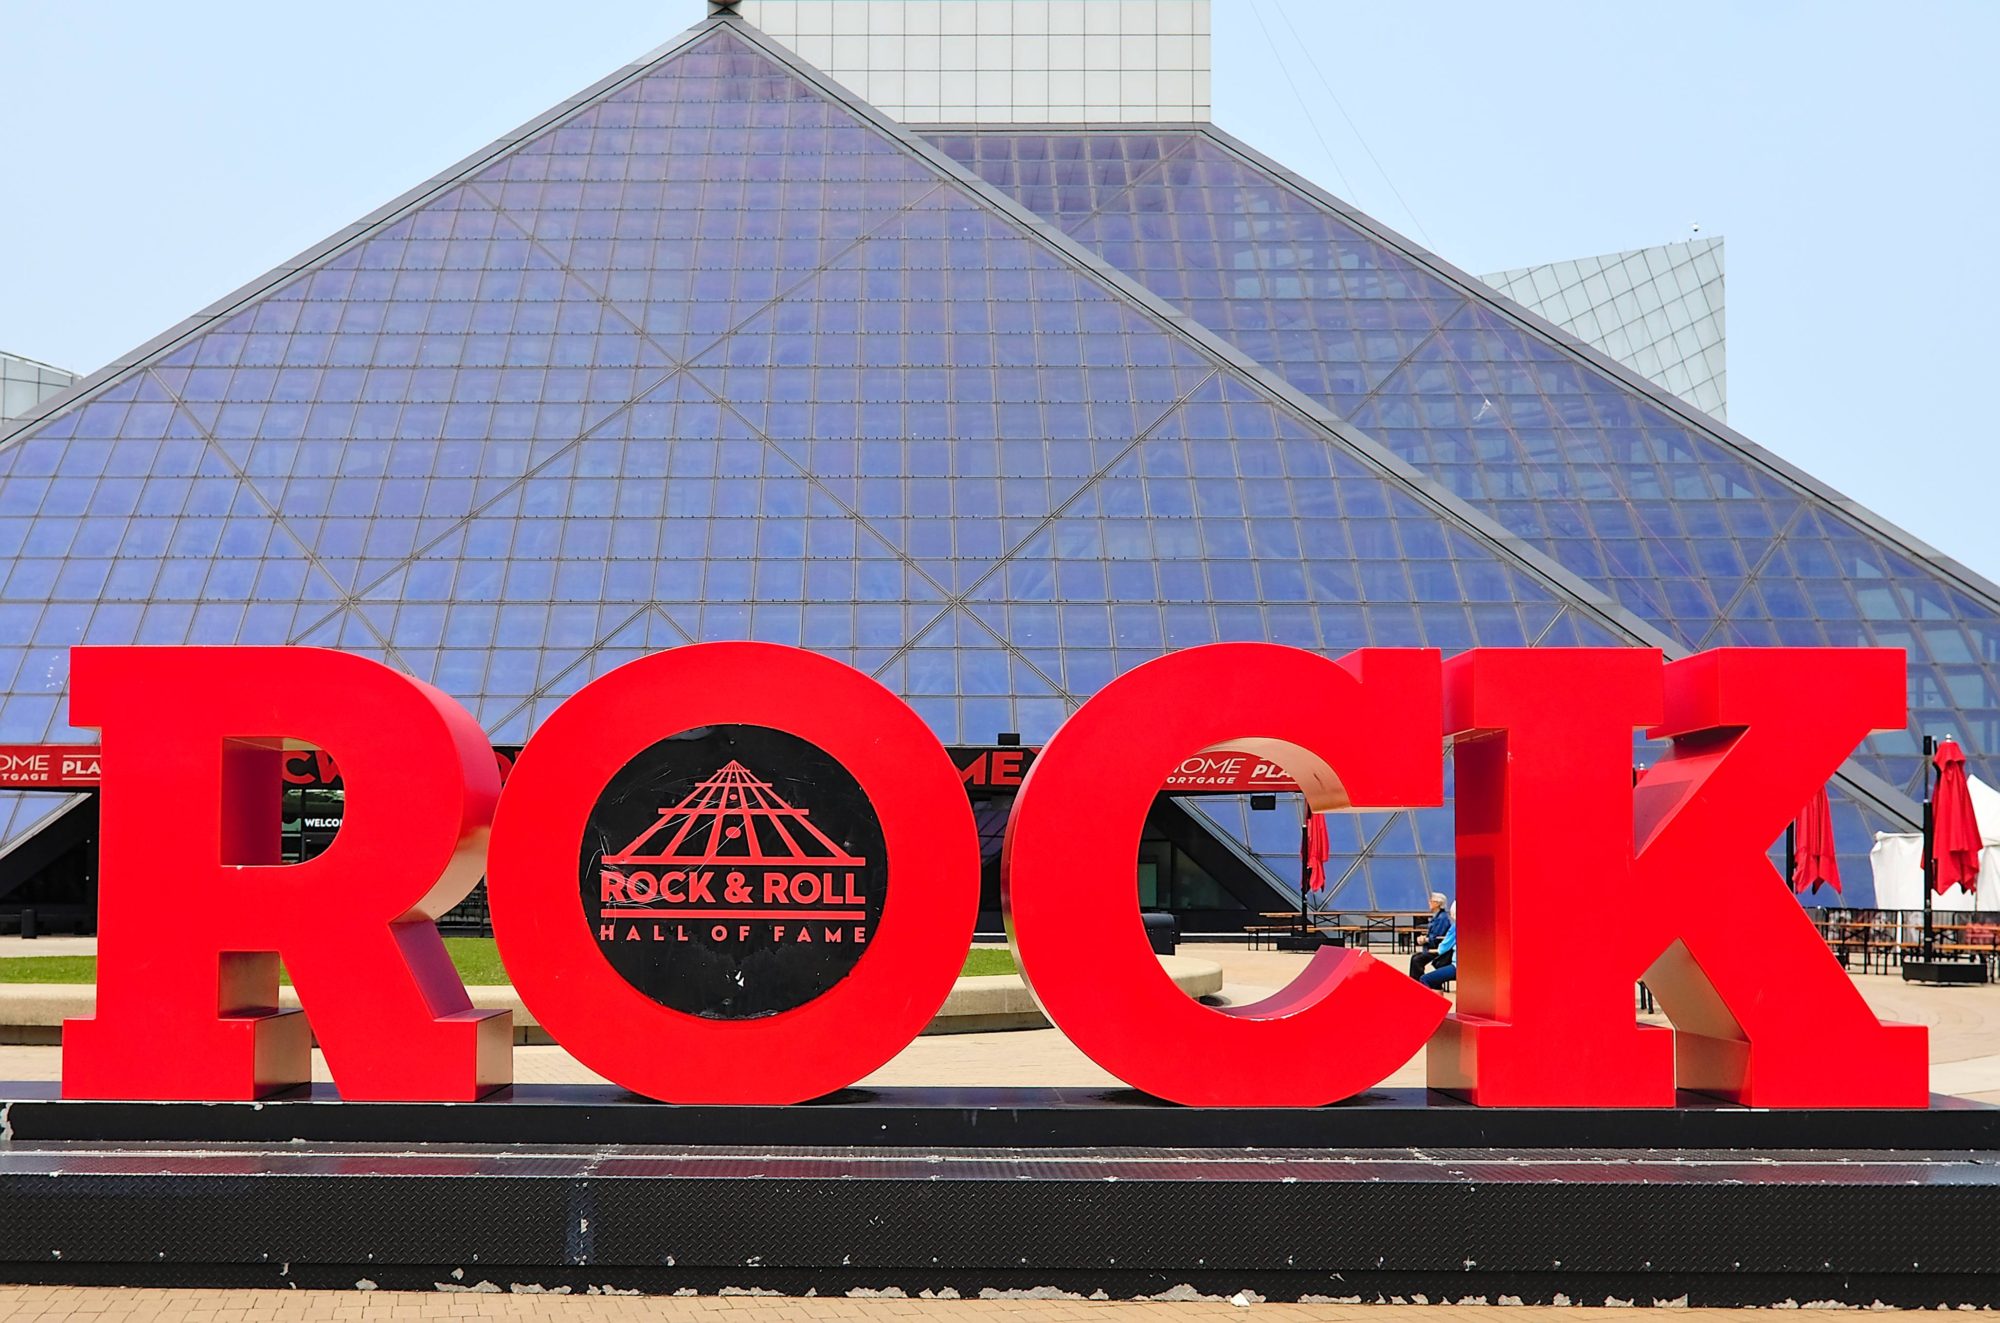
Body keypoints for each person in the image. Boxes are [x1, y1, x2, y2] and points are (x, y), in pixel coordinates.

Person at [1408, 892, 1451, 978]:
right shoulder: (1437, 916)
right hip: (1432, 946)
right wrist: (1424, 938)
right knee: (1415, 957)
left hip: (1438, 948)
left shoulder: (1442, 918)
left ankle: (1420, 983)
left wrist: (1425, 940)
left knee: (1417, 960)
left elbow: (1437, 937)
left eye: (1432, 901)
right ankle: (1416, 982)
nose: (1429, 902)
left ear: (1438, 904)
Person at [1420, 903, 1457, 989]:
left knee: (1425, 979)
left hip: (1457, 967)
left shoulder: (1456, 927)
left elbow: (1443, 948)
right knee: (1436, 981)